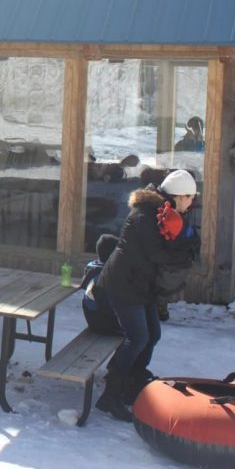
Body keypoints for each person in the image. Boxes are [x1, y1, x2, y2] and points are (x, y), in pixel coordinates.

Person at [93, 168, 199, 422]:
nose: (192, 203)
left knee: (153, 334)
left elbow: (170, 246)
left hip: (142, 284)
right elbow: (158, 253)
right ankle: (111, 395)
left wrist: (186, 243)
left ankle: (133, 381)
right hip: (123, 284)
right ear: (179, 196)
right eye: (190, 198)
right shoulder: (145, 214)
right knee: (137, 337)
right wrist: (186, 252)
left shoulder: (164, 212)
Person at [80, 233, 121, 335]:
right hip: (101, 323)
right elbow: (106, 308)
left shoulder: (95, 268)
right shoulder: (101, 277)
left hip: (95, 318)